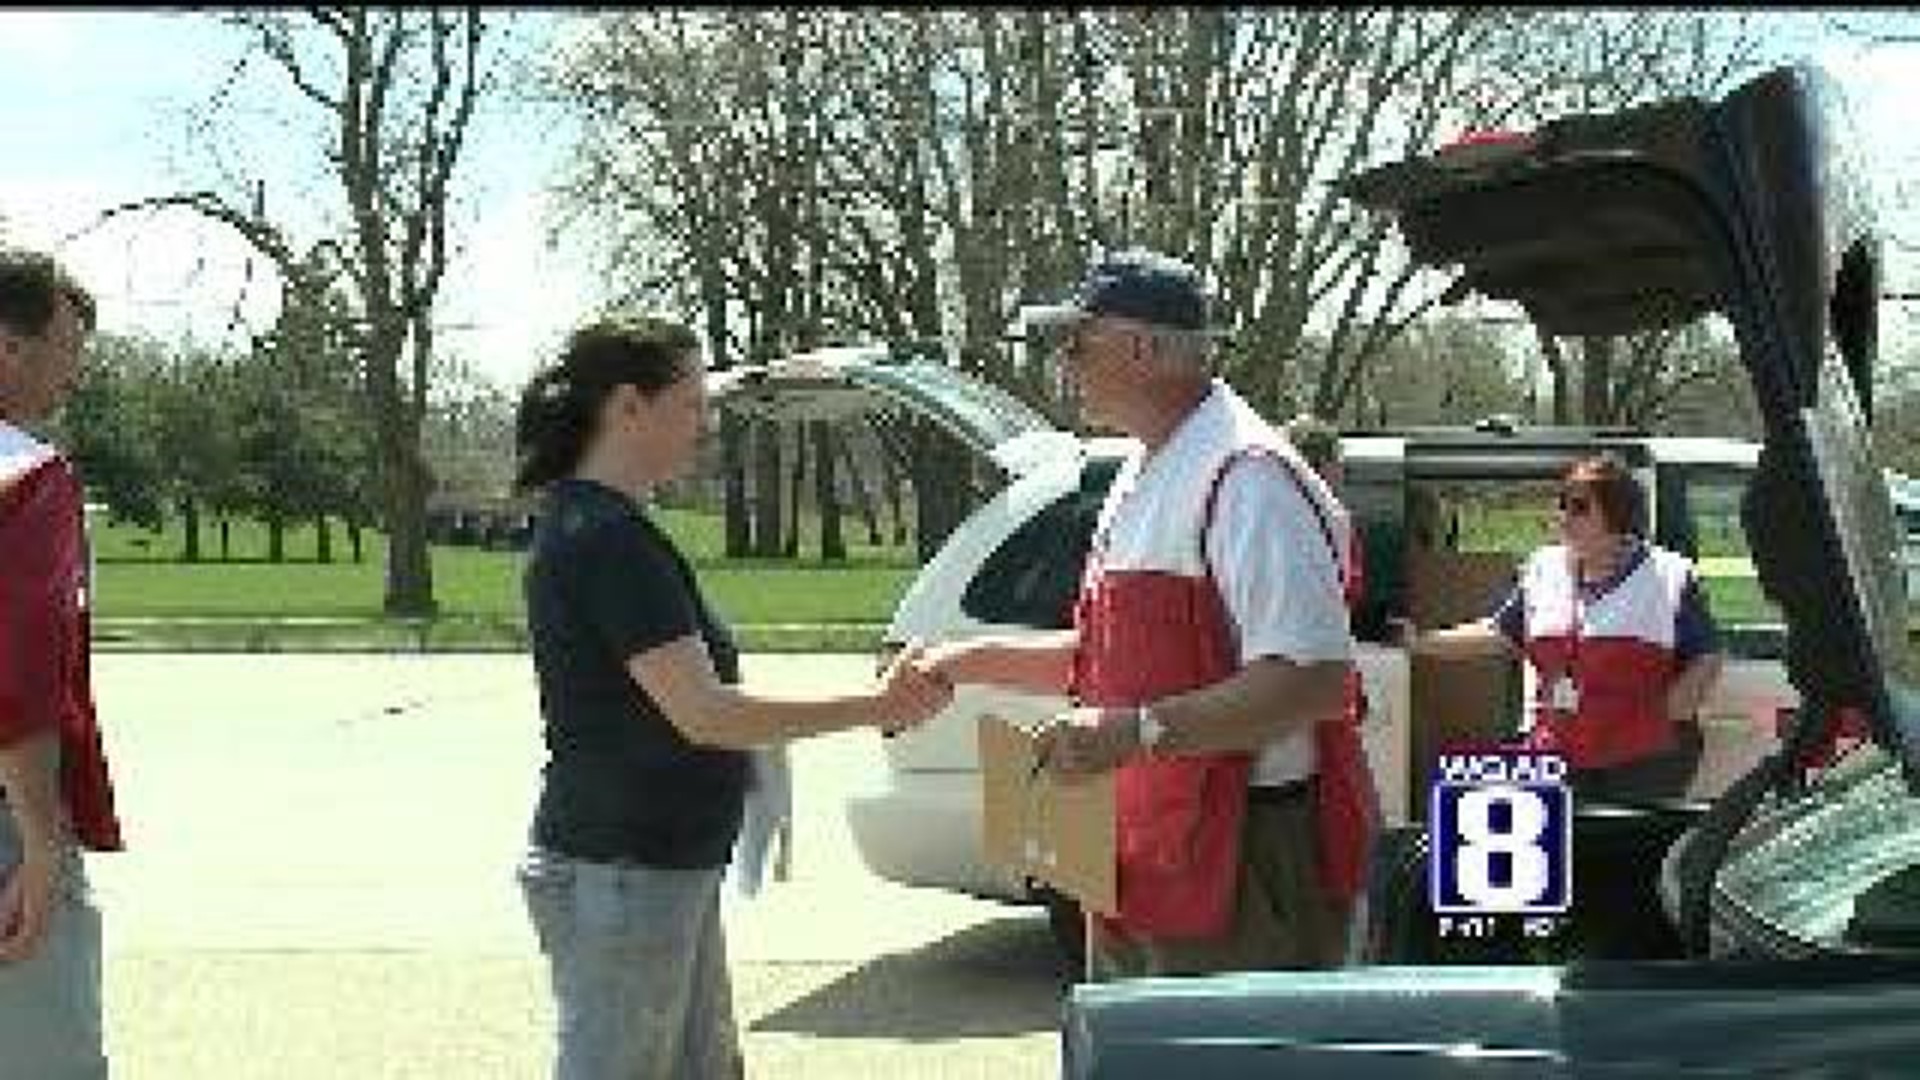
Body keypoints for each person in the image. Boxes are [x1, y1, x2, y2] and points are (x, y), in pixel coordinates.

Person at [511, 314, 950, 1080]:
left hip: (651, 869)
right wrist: (878, 706)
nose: (704, 427)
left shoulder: (605, 525)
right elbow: (706, 712)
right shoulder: (606, 537)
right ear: (627, 407)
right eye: (690, 405)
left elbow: (701, 705)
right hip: (623, 874)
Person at [923, 249, 1365, 980]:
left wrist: (1134, 732)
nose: (1066, 362)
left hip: (1242, 861)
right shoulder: (1147, 465)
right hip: (1147, 846)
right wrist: (966, 661)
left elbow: (1314, 682)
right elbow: (1114, 661)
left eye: (1078, 340)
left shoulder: (1247, 476)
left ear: (1145, 349)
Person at [1402, 452, 1724, 800]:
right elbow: (1500, 633)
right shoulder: (1545, 568)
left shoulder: (1670, 575)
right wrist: (1422, 642)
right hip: (1558, 757)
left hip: (1644, 764)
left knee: (1628, 854)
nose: (1564, 517)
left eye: (1580, 507)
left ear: (1617, 516)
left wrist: (1665, 715)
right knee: (1560, 852)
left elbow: (1706, 657)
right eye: (1562, 505)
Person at [0, 246, 121, 1078]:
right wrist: (41, 840)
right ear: (10, 346)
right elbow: (20, 677)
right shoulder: (29, 479)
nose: (74, 372)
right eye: (67, 346)